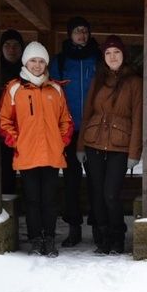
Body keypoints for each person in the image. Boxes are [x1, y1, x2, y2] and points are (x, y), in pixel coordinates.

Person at [0, 42, 74, 258]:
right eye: (33, 60)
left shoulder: (56, 89)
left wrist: (60, 142)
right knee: (32, 199)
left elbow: (65, 120)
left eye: (41, 61)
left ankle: (49, 239)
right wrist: (17, 142)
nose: (37, 65)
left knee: (49, 199)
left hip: (51, 153)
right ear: (25, 62)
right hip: (28, 154)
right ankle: (35, 239)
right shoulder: (14, 89)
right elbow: (4, 121)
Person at [76, 35, 142, 255]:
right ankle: (102, 238)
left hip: (119, 146)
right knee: (96, 194)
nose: (112, 57)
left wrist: (134, 152)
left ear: (124, 55)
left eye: (116, 52)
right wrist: (80, 145)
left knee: (111, 194)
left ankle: (117, 237)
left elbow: (138, 118)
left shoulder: (134, 81)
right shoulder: (99, 78)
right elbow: (87, 113)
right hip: (94, 143)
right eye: (108, 53)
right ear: (103, 57)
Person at [49, 16, 100, 247]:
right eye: (77, 31)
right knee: (70, 182)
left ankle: (99, 227)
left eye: (85, 30)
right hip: (68, 131)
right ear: (69, 34)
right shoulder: (59, 62)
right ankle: (74, 227)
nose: (81, 34)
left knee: (96, 181)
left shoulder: (98, 58)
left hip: (93, 130)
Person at [0, 29, 24, 195]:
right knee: (5, 171)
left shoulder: (30, 72)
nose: (11, 49)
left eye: (16, 45)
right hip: (4, 131)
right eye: (7, 45)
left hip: (27, 130)